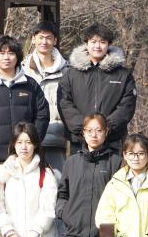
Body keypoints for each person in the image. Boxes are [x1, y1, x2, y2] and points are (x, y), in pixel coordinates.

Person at [58, 23, 137, 153]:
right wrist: (86, 129)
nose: (97, 46)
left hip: (113, 140)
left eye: (102, 42)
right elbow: (65, 104)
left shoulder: (123, 75)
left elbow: (127, 106)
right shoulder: (71, 74)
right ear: (86, 43)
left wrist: (104, 128)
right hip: (79, 141)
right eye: (93, 42)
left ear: (109, 44)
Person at [0, 34, 49, 163]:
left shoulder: (30, 84)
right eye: (1, 53)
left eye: (11, 53)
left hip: (25, 157)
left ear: (18, 56)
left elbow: (42, 114)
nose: (6, 57)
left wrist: (32, 140)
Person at [24, 21, 69, 173]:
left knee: (58, 179)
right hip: (29, 138)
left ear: (55, 40)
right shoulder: (22, 70)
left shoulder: (67, 71)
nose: (44, 42)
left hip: (58, 136)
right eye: (40, 37)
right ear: (33, 39)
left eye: (49, 38)